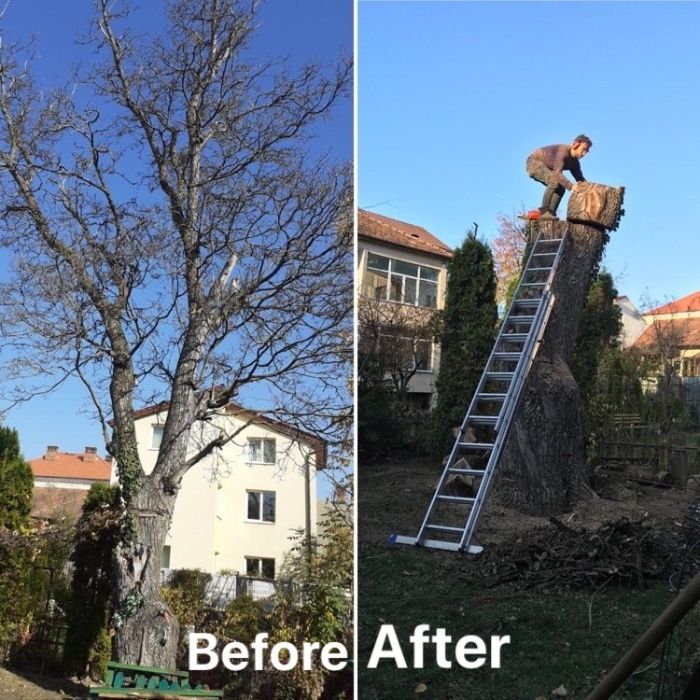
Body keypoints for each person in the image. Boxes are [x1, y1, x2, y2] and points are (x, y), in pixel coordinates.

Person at [526, 135, 592, 219]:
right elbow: (557, 173)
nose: (584, 153)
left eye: (587, 151)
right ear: (576, 145)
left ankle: (551, 213)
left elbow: (581, 180)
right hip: (533, 162)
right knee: (554, 181)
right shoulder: (563, 151)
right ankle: (544, 211)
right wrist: (572, 186)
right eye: (584, 149)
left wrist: (590, 189)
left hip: (546, 167)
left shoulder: (575, 163)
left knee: (561, 188)